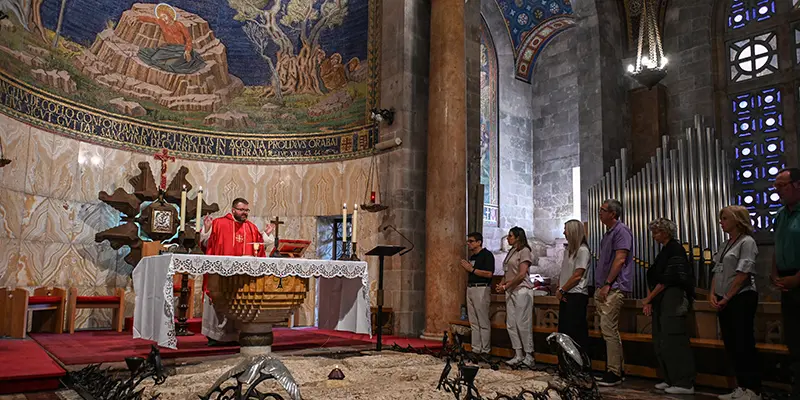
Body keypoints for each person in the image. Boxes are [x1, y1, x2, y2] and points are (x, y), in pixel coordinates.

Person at [199, 198, 275, 345]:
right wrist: (207, 229)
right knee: (218, 299)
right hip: (220, 274)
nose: (244, 213)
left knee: (238, 300)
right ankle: (215, 336)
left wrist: (265, 235)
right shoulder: (219, 223)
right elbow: (207, 244)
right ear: (233, 209)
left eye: (246, 210)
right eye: (241, 210)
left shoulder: (251, 227)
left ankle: (236, 335)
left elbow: (258, 247)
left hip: (241, 277)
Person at [710, 205, 761, 400]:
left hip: (741, 297)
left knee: (743, 343)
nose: (721, 222)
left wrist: (728, 297)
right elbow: (718, 269)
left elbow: (743, 274)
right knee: (731, 344)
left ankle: (753, 389)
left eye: (724, 218)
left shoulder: (747, 242)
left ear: (738, 220)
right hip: (724, 298)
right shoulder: (725, 244)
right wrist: (712, 293)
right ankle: (741, 386)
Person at [642, 218, 696, 394]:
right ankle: (670, 378)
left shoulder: (675, 249)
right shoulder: (665, 250)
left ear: (665, 232)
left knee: (674, 338)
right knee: (662, 339)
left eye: (656, 232)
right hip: (663, 299)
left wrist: (649, 298)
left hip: (674, 298)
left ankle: (684, 382)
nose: (653, 236)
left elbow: (669, 279)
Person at [594, 199, 633, 386]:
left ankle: (615, 372)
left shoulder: (621, 231)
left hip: (614, 286)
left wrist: (608, 283)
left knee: (609, 329)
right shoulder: (607, 233)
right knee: (607, 330)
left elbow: (620, 259)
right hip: (604, 286)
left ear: (613, 214)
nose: (599, 212)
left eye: (602, 210)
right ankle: (614, 368)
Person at [772, 168, 800, 397]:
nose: (777, 191)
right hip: (786, 281)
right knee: (793, 339)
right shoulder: (780, 215)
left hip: (798, 278)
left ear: (797, 184)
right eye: (775, 186)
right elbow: (777, 245)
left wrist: (797, 278)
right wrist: (774, 273)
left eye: (781, 185)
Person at [497, 226, 535, 367]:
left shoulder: (525, 251)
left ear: (518, 237)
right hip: (511, 290)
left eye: (510, 236)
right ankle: (518, 354)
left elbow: (521, 274)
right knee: (511, 323)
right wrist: (502, 284)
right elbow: (507, 271)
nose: (508, 238)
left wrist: (507, 285)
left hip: (522, 290)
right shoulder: (512, 251)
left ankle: (529, 355)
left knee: (522, 323)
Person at [132, 3, 206, 74]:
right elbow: (151, 19)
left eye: (164, 16)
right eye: (161, 18)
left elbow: (188, 38)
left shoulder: (178, 24)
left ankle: (170, 63)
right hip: (169, 48)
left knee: (173, 64)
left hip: (180, 49)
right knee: (148, 55)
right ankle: (166, 62)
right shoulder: (162, 23)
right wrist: (137, 18)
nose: (163, 19)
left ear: (169, 15)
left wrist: (187, 50)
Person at [556, 220, 590, 352]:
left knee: (575, 331)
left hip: (577, 294)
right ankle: (566, 364)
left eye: (566, 229)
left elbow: (577, 275)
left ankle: (578, 365)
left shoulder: (583, 250)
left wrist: (563, 290)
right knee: (564, 331)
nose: (564, 232)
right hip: (566, 293)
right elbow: (564, 272)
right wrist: (560, 288)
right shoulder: (568, 250)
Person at [459, 232, 495, 357]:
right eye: (468, 241)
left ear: (479, 242)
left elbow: (489, 274)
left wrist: (471, 270)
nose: (469, 243)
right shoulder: (473, 257)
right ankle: (475, 349)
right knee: (473, 321)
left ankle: (485, 350)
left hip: (481, 288)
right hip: (471, 288)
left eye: (471, 241)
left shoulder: (487, 255)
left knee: (483, 321)